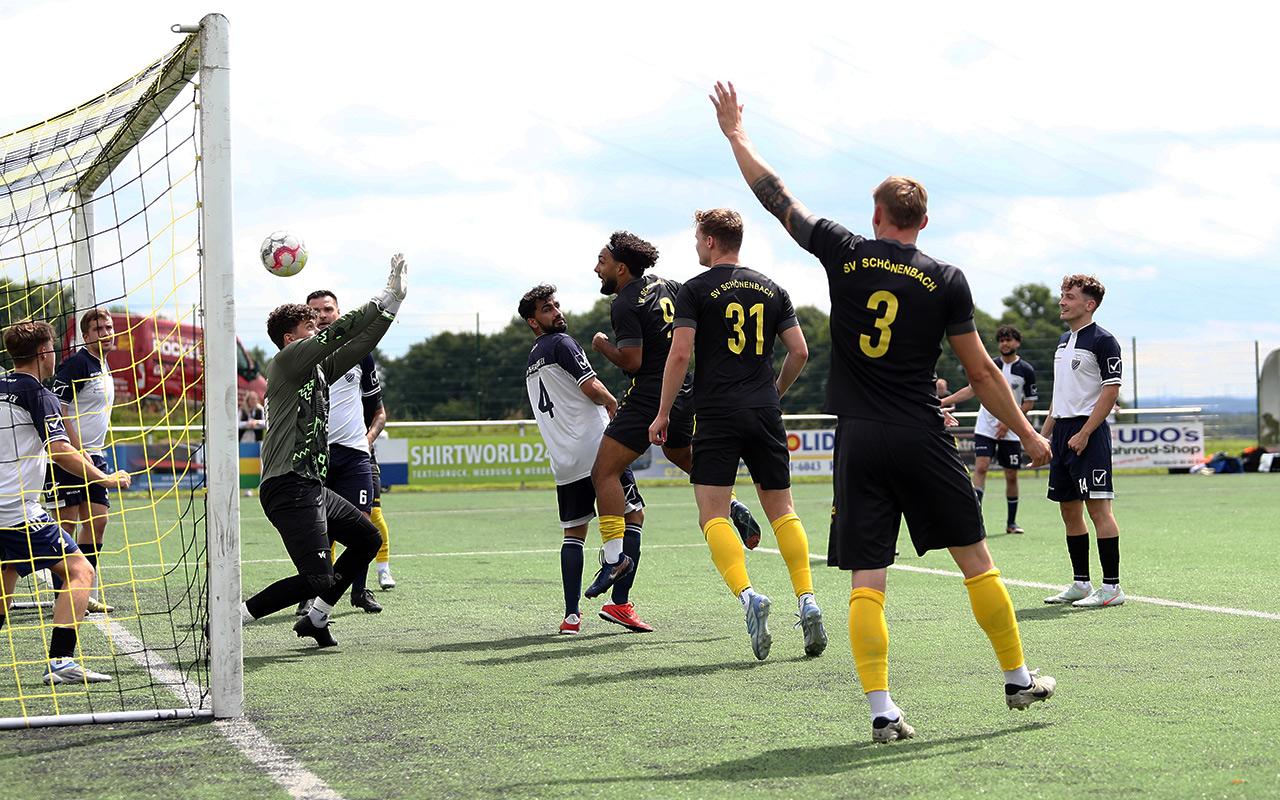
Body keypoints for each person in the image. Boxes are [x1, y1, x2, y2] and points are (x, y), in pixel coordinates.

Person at [711, 80, 1056, 742]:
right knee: (976, 560)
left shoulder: (845, 251)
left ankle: (882, 711)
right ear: (924, 221)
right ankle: (1016, 678)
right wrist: (1028, 435)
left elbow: (776, 197)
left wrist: (736, 134)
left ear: (876, 216)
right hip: (922, 434)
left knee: (869, 579)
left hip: (860, 439)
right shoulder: (946, 279)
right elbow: (982, 373)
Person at [648, 208, 826, 660]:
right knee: (783, 511)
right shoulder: (773, 288)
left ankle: (750, 598)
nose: (696, 245)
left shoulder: (693, 290)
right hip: (764, 411)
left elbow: (679, 355)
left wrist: (663, 412)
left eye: (697, 238)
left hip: (717, 414)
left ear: (710, 241)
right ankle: (807, 599)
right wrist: (774, 393)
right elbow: (800, 351)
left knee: (712, 515)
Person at [238, 254, 407, 649]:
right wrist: (381, 298)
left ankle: (316, 618)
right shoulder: (288, 360)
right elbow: (341, 333)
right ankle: (233, 617)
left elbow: (360, 343)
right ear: (290, 339)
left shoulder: (316, 368)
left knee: (367, 540)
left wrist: (394, 306)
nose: (318, 329)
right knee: (317, 577)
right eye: (310, 326)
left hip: (309, 485)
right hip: (287, 485)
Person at [587, 231, 761, 600]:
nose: (596, 269)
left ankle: (614, 558)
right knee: (679, 453)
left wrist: (602, 345)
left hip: (651, 394)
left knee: (604, 472)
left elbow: (632, 361)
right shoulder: (668, 285)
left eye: (602, 262)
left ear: (621, 268)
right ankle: (731, 502)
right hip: (685, 391)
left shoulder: (624, 303)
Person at [0, 320, 131, 684]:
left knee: (6, 580)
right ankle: (60, 661)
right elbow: (60, 451)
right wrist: (105, 478)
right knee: (81, 571)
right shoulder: (38, 393)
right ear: (44, 352)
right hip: (16, 511)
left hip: (5, 509)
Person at [520, 284, 651, 634]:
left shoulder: (531, 361)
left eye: (556, 305)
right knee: (634, 515)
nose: (556, 312)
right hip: (596, 448)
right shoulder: (562, 343)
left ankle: (571, 617)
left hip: (563, 458)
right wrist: (613, 402)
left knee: (574, 532)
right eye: (547, 309)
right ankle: (619, 603)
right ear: (533, 321)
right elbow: (589, 387)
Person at [294, 289, 385, 615]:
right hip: (314, 457)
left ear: (339, 313)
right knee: (317, 528)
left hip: (354, 456)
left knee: (363, 527)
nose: (322, 315)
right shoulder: (300, 355)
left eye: (327, 309)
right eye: (315, 311)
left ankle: (359, 590)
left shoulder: (360, 353)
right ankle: (313, 592)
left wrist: (367, 439)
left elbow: (378, 412)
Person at [1041, 275, 1125, 608]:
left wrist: (1086, 432)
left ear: (1089, 305)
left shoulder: (1104, 340)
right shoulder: (1064, 340)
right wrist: (1043, 435)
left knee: (1098, 510)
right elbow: (1060, 394)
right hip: (1062, 432)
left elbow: (1111, 392)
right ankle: (1080, 583)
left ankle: (1112, 588)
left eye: (1070, 297)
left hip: (1088, 433)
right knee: (1068, 509)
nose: (1062, 302)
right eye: (1062, 295)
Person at [46, 308, 118, 614]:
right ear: (85, 336)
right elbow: (57, 405)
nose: (106, 333)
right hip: (69, 457)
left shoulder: (104, 365)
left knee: (98, 521)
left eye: (109, 327)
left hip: (95, 455)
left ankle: (81, 589)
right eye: (99, 329)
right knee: (66, 526)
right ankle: (64, 595)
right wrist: (76, 448)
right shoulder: (77, 363)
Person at [940, 325, 1038, 534]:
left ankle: (1011, 523)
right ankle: (974, 520)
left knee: (1011, 475)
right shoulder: (991, 365)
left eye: (1008, 340)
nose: (1004, 343)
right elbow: (971, 389)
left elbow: (1029, 402)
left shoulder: (1026, 370)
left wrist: (1009, 422)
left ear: (1017, 342)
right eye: (1001, 340)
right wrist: (942, 402)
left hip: (1012, 428)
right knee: (981, 468)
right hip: (986, 425)